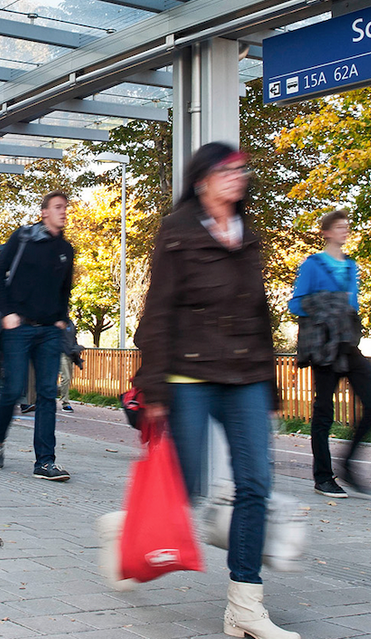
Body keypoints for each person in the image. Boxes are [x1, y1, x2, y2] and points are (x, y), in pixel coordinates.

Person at [132, 143, 299, 639]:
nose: (238, 177)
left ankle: (244, 606)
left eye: (242, 170)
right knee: (183, 487)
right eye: (228, 170)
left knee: (255, 485)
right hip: (190, 373)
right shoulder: (177, 231)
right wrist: (154, 387)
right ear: (203, 179)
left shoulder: (248, 235)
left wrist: (269, 386)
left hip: (245, 375)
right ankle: (129, 531)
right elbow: (157, 310)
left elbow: (259, 313)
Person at [289, 209, 371, 497]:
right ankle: (323, 477)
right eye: (340, 227)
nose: (345, 231)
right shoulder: (313, 265)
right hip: (324, 346)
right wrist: (325, 309)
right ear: (327, 232)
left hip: (348, 345)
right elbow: (297, 304)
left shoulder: (352, 266)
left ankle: (348, 464)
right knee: (324, 411)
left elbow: (352, 306)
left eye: (347, 227)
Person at [0, 191, 76, 481]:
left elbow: (65, 289)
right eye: (58, 207)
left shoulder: (66, 249)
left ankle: (45, 462)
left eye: (65, 207)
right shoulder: (23, 238)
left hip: (50, 331)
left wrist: (62, 319)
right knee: (13, 390)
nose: (63, 212)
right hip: (19, 327)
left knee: (47, 393)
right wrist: (6, 311)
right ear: (44, 212)